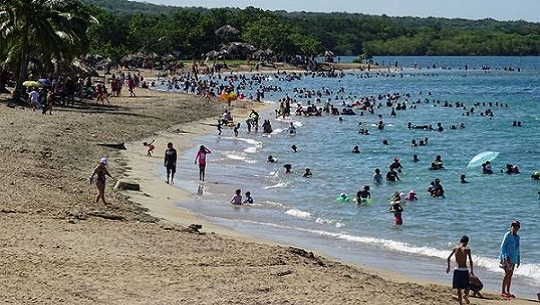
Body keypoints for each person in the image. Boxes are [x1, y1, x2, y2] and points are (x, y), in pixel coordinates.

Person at [446, 235, 474, 305]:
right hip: (464, 269)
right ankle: (465, 296)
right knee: (467, 286)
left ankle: (461, 303)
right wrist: (472, 270)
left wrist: (448, 267)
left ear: (460, 241)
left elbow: (448, 258)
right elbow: (470, 261)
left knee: (459, 288)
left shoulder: (455, 248)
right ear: (467, 242)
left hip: (457, 269)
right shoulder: (467, 249)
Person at [499, 220, 521, 299]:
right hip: (506, 258)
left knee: (510, 275)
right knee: (507, 274)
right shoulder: (508, 235)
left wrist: (518, 259)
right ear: (511, 227)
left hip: (513, 258)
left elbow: (517, 249)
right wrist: (505, 256)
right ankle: (502, 292)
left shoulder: (517, 237)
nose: (514, 227)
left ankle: (508, 291)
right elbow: (502, 246)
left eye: (516, 226)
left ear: (518, 228)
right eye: (513, 226)